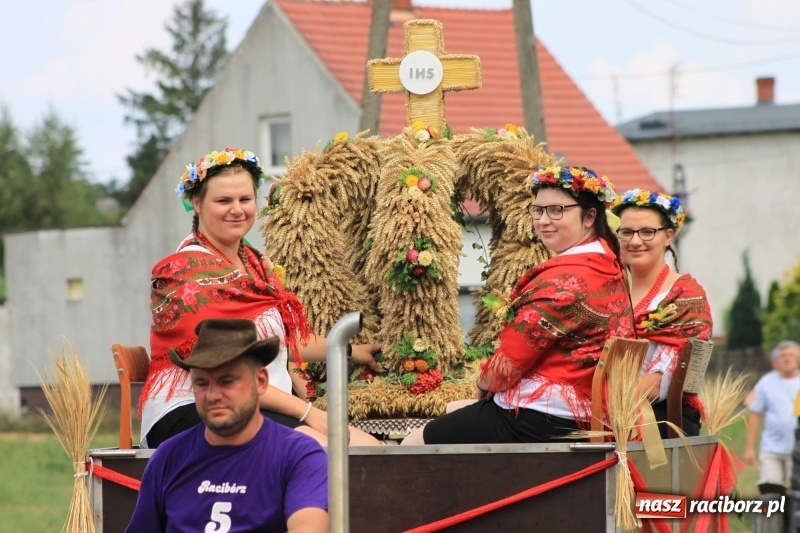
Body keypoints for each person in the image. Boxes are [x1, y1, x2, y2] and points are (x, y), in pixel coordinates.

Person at [140, 147, 382, 448]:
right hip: (197, 409)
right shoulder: (183, 272)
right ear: (197, 203)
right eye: (223, 201)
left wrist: (348, 350)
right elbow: (224, 368)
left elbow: (282, 341)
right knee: (331, 448)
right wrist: (309, 413)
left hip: (254, 403)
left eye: (245, 199)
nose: (237, 209)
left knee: (370, 448)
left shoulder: (255, 264)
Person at [402, 165, 633, 444]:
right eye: (538, 210)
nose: (544, 220)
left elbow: (509, 364)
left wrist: (481, 383)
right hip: (584, 412)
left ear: (590, 216)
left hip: (543, 418)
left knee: (412, 444)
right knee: (452, 411)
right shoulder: (608, 266)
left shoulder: (566, 280)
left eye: (557, 210)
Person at [126, 319, 328, 532]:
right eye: (202, 383)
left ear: (260, 382)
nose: (213, 395)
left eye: (227, 381)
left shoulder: (298, 456)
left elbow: (308, 526)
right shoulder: (168, 457)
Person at [611, 189, 713, 438]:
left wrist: (610, 407)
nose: (635, 241)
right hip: (602, 414)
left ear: (668, 236)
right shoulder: (605, 291)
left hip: (661, 419)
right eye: (626, 232)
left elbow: (658, 382)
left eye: (647, 232)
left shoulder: (686, 295)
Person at [745, 340, 800, 492]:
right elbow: (755, 415)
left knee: (794, 491)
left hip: (796, 450)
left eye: (790, 355)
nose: (787, 359)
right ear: (776, 361)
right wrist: (750, 447)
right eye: (783, 356)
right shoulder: (766, 382)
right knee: (770, 489)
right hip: (771, 448)